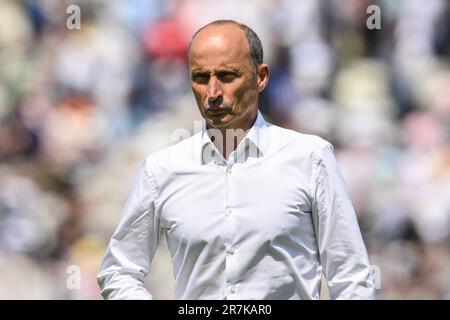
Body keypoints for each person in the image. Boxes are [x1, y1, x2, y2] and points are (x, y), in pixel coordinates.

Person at [97, 20, 376, 300]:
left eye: (228, 76)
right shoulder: (161, 169)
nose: (213, 93)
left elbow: (351, 277)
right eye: (201, 78)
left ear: (261, 76)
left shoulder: (310, 158)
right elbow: (119, 270)